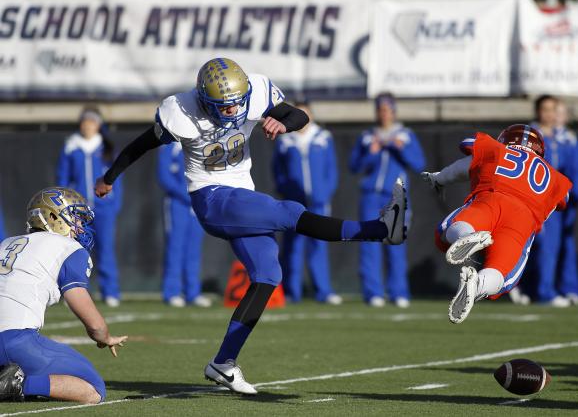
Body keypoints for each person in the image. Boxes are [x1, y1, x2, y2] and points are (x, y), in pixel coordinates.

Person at [94, 57, 407, 395]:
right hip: (211, 197)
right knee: (288, 212)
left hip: (242, 193)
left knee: (268, 275)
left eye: (236, 103)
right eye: (223, 106)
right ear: (204, 101)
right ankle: (379, 230)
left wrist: (282, 124)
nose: (232, 112)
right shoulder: (180, 113)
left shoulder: (255, 90)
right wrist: (109, 178)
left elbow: (299, 115)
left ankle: (223, 363)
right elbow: (140, 144)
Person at [422, 124, 571, 324]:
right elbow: (564, 199)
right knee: (502, 274)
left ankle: (466, 236)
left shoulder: (496, 149)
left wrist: (439, 178)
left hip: (492, 198)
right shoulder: (554, 177)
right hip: (523, 219)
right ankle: (478, 285)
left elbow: (465, 162)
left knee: (445, 232)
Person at [0, 187, 127, 403]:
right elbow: (91, 321)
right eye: (76, 218)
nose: (80, 227)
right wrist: (104, 337)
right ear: (52, 216)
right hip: (14, 340)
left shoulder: (6, 243)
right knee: (93, 389)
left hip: (11, 339)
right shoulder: (66, 247)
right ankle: (13, 385)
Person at [349, 93, 425, 308]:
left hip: (395, 196)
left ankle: (398, 292)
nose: (384, 114)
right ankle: (373, 293)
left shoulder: (405, 135)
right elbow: (354, 166)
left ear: (393, 111)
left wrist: (400, 148)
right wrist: (371, 153)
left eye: (387, 109)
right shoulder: (367, 136)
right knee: (369, 244)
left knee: (395, 242)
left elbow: (419, 164)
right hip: (370, 195)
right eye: (380, 110)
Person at [272, 101, 341, 305]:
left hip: (318, 202)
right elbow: (277, 171)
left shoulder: (323, 137)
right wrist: (286, 190)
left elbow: (332, 170)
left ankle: (323, 291)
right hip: (294, 202)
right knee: (292, 247)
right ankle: (292, 292)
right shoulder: (285, 140)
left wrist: (325, 193)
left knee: (319, 245)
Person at [56, 107, 122, 307]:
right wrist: (67, 208)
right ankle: (74, 293)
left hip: (103, 209)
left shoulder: (107, 149)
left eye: (92, 121)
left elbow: (117, 181)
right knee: (77, 252)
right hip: (77, 212)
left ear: (99, 125)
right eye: (85, 121)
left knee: (106, 250)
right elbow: (63, 180)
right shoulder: (71, 147)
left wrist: (114, 204)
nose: (88, 125)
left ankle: (110, 291)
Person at [526, 96, 571, 307]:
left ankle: (537, 289)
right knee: (541, 247)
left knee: (550, 247)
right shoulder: (530, 135)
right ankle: (543, 292)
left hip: (554, 200)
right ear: (537, 111)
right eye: (545, 109)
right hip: (535, 199)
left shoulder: (561, 138)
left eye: (553, 109)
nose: (549, 114)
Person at [157, 142, 211, 307]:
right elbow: (164, 177)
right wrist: (188, 195)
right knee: (175, 247)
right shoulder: (168, 146)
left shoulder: (200, 142)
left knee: (193, 249)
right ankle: (172, 292)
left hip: (197, 204)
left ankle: (192, 292)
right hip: (177, 204)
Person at [554, 100, 578, 305]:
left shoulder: (569, 139)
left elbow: (576, 171)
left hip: (562, 201)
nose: (555, 116)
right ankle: (535, 288)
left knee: (566, 244)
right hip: (541, 199)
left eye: (559, 113)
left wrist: (573, 196)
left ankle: (569, 288)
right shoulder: (537, 136)